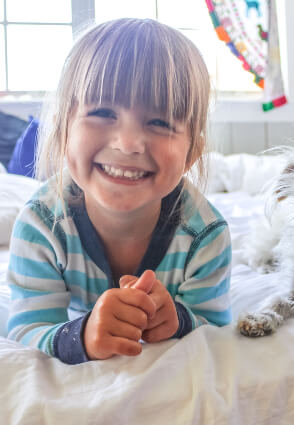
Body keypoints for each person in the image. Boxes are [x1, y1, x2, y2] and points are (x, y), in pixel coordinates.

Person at [7, 18, 232, 364]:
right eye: (102, 112)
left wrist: (179, 320)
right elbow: (27, 330)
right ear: (64, 129)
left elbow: (214, 327)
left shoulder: (204, 235)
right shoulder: (41, 225)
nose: (127, 144)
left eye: (159, 122)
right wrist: (81, 334)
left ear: (191, 155)